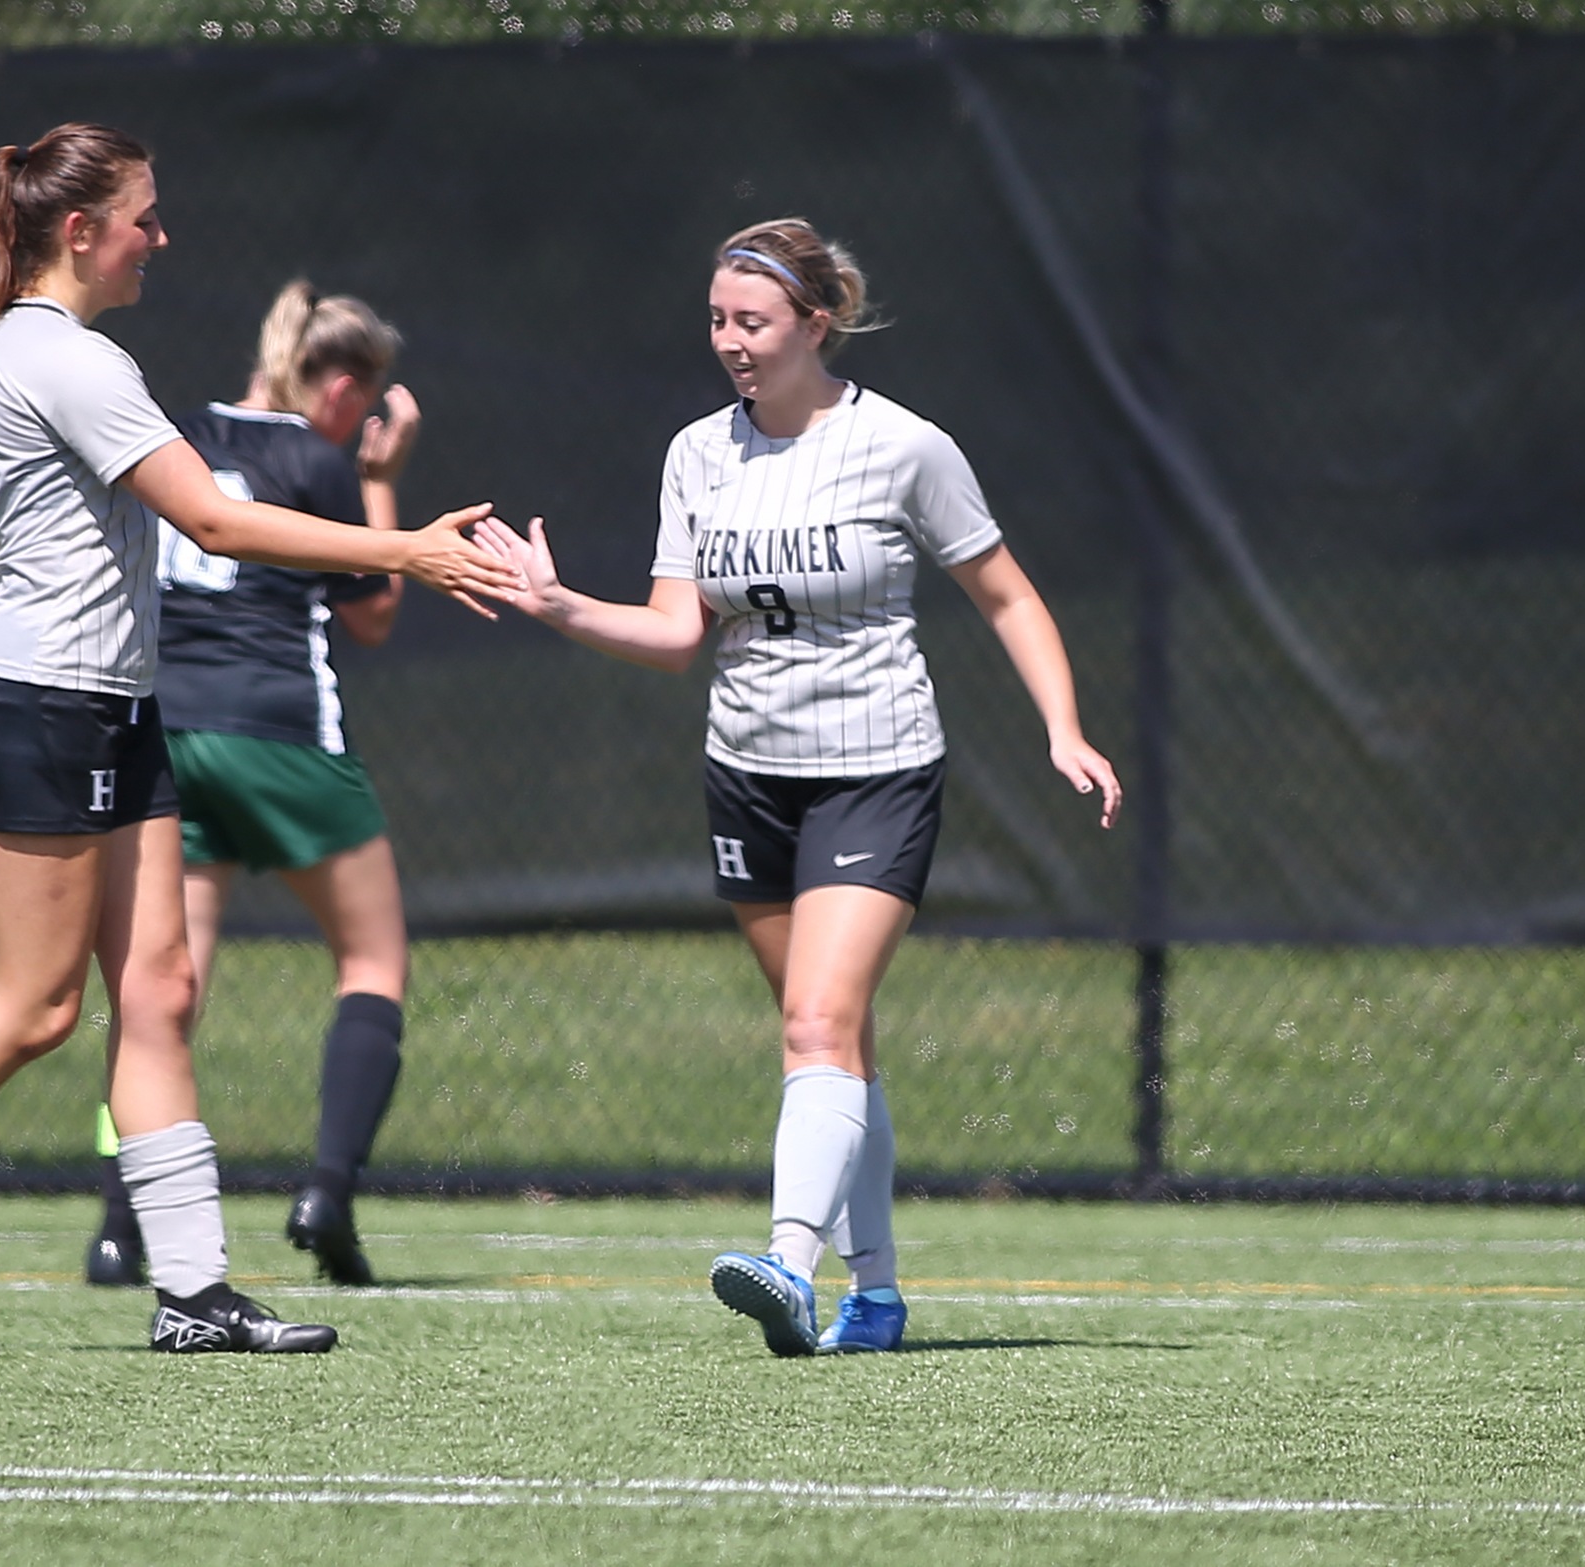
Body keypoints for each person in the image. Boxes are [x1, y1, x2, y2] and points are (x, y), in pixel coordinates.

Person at [0, 125, 516, 1355]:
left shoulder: (6, 355)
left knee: (157, 991)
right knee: (32, 1008)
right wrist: (410, 547)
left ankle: (193, 1293)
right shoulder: (62, 361)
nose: (158, 239)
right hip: (41, 710)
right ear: (81, 233)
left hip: (116, 707)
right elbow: (215, 524)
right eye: (144, 218)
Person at [479, 218, 1120, 1356]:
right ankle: (872, 1294)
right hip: (748, 781)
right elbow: (678, 632)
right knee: (839, 1043)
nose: (730, 341)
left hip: (874, 773)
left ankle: (786, 1262)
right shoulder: (697, 453)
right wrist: (558, 604)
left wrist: (1062, 728)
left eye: (754, 321)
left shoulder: (904, 447)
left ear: (815, 324)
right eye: (718, 320)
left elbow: (1008, 597)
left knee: (815, 1023)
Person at [82, 281, 420, 1291]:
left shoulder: (179, 434)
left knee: (158, 993)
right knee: (371, 958)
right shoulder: (319, 459)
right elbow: (373, 616)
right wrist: (383, 481)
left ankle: (117, 1224)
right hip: (279, 733)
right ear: (343, 388)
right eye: (367, 407)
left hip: (169, 734)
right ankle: (326, 1191)